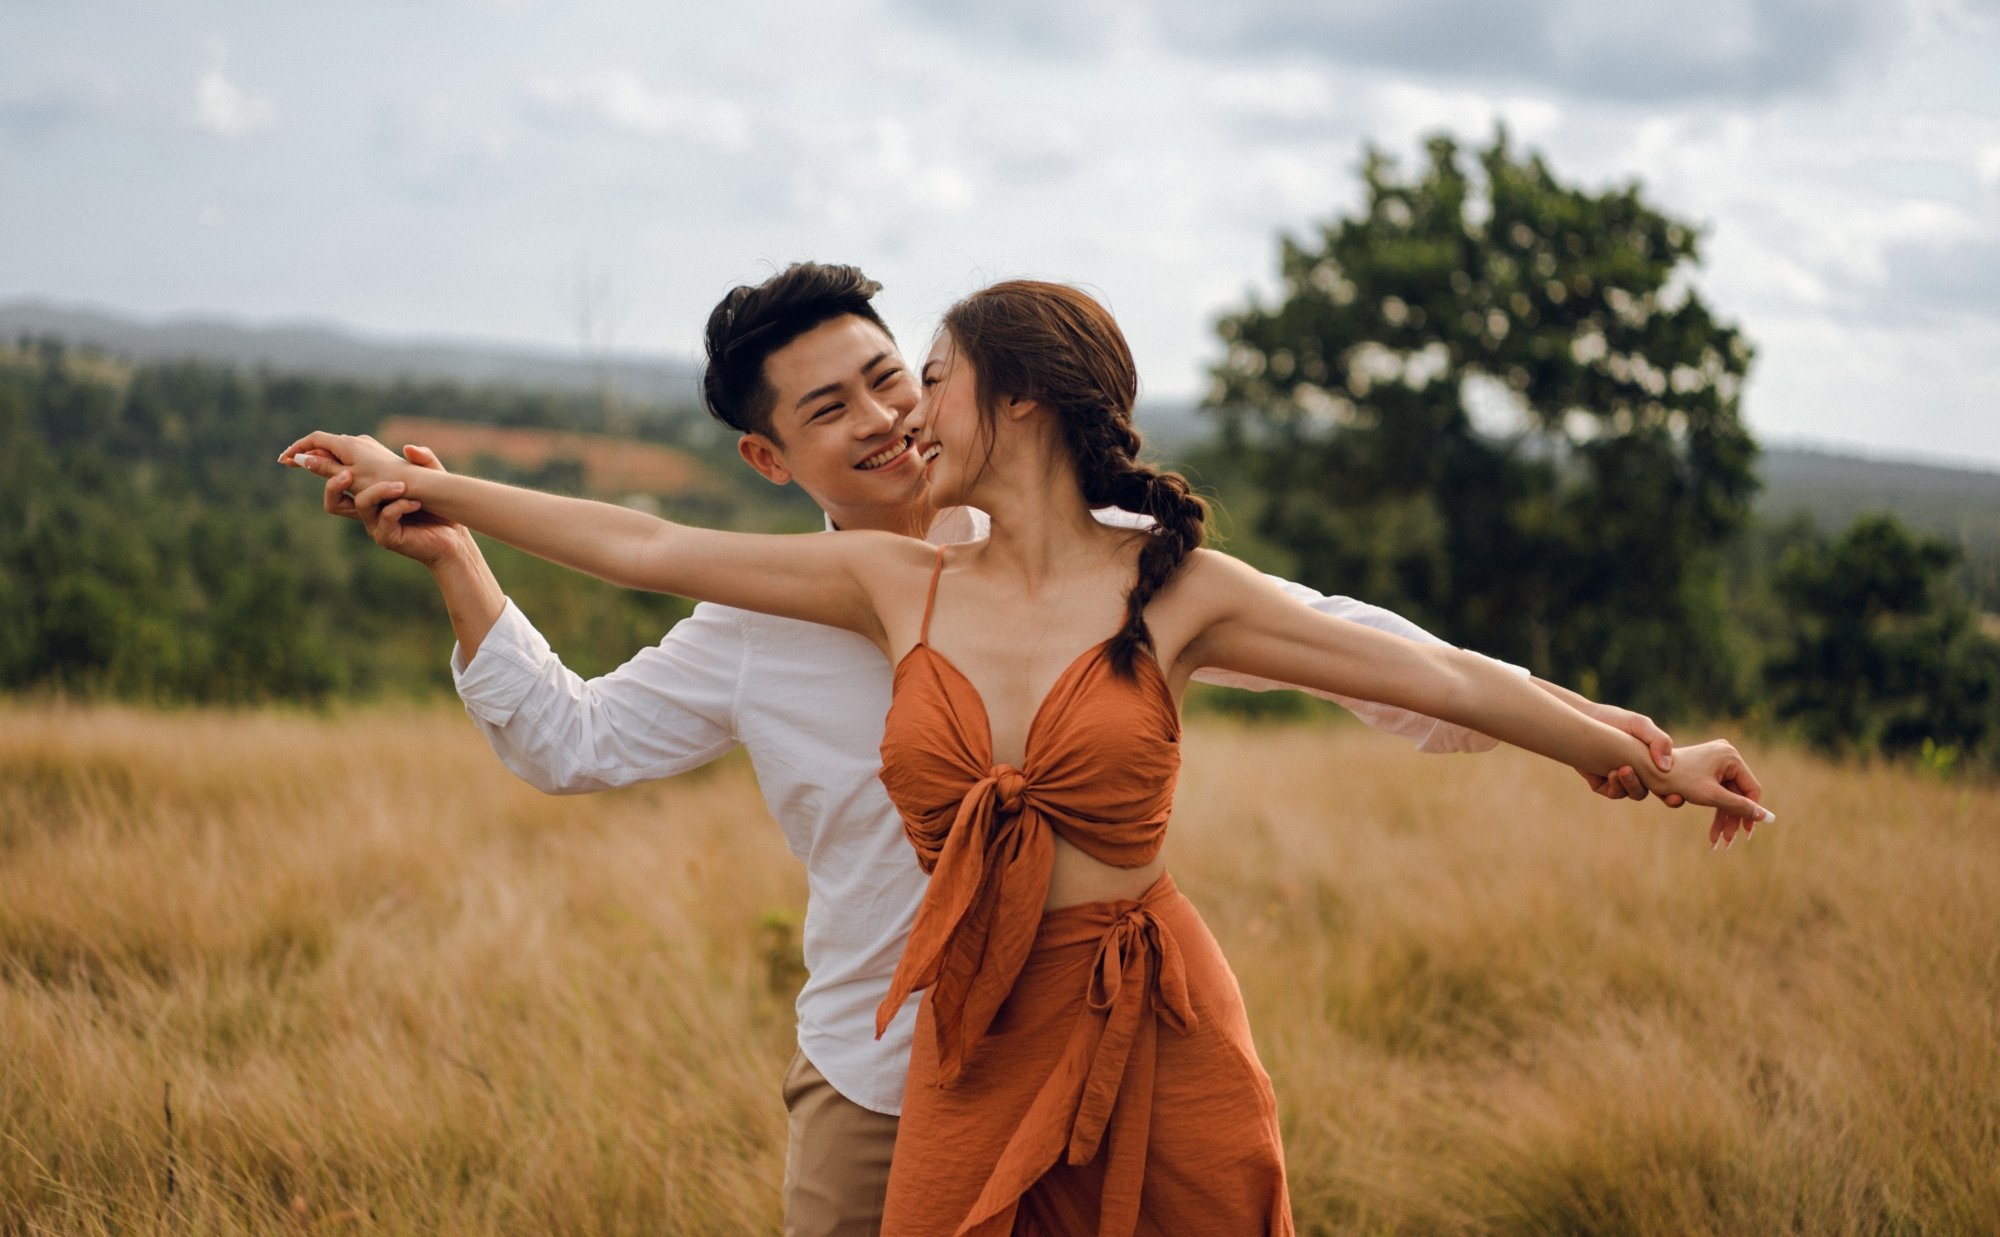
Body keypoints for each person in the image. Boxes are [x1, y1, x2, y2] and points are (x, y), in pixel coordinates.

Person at [285, 272, 1767, 1235]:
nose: (893, 413)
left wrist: (1623, 747)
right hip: (903, 1058)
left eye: (907, 372)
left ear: (1015, 406)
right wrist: (452, 521)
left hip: (1139, 1021)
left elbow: (1406, 662)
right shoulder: (831, 593)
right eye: (844, 402)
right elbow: (629, 571)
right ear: (771, 454)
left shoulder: (1161, 577)